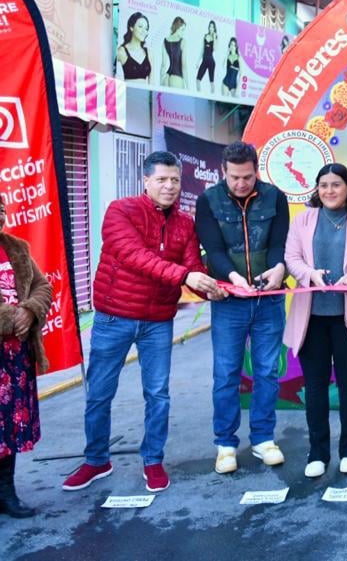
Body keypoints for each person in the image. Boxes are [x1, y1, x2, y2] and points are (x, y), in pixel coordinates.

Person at [62, 152, 223, 494]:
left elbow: (193, 264)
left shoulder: (184, 224)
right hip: (113, 317)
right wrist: (186, 275)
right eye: (162, 179)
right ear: (146, 181)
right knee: (100, 393)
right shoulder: (121, 211)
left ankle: (153, 460)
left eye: (175, 180)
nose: (169, 186)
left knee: (158, 395)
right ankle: (96, 459)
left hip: (157, 322)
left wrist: (213, 288)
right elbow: (136, 257)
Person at [195, 141, 290, 474]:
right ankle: (225, 443)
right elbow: (213, 249)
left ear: (257, 171)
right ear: (224, 171)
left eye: (247, 177)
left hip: (269, 300)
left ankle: (264, 438)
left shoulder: (275, 197)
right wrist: (234, 277)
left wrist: (279, 269)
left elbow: (280, 242)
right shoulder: (208, 201)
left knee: (266, 371)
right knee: (226, 373)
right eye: (234, 177)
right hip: (229, 302)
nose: (240, 184)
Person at [284, 164, 347, 478]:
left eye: (336, 185)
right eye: (323, 185)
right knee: (316, 387)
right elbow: (291, 258)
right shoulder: (303, 220)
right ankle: (317, 452)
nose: (329, 191)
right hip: (312, 319)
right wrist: (308, 274)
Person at [0, 197, 52, 517]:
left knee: (8, 431)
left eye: (1, 210)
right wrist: (11, 317)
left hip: (15, 360)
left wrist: (31, 311)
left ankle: (6, 493)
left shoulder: (17, 247)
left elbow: (43, 287)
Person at [116, 12, 152, 83]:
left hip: (145, 94)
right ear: (131, 27)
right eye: (140, 27)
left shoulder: (149, 52)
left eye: (146, 28)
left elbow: (152, 82)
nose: (144, 31)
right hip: (128, 93)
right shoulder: (122, 51)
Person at [162, 17, 188, 89]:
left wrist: (161, 81)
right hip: (177, 78)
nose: (183, 33)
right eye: (182, 30)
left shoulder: (165, 41)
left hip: (166, 78)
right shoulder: (183, 41)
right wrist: (188, 86)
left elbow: (163, 64)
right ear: (177, 28)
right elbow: (184, 66)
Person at [196, 20, 218, 94]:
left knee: (211, 82)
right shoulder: (205, 36)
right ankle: (199, 94)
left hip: (211, 61)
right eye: (210, 26)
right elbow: (202, 49)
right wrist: (198, 61)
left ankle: (212, 97)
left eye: (212, 27)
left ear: (214, 28)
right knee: (198, 80)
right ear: (208, 27)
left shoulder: (215, 37)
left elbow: (215, 49)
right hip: (204, 61)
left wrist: (214, 37)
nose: (211, 28)